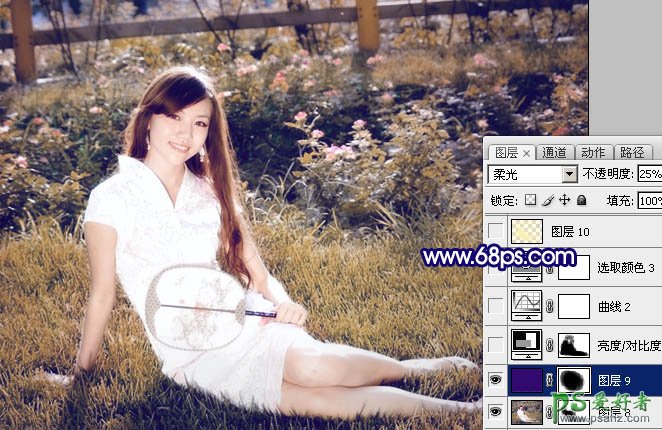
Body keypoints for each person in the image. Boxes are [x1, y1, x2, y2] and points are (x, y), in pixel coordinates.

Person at [74, 66, 482, 418]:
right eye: (175, 117)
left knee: (315, 369)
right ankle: (461, 410)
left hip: (246, 321)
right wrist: (81, 373)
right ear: (149, 119)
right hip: (191, 354)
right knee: (317, 402)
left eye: (199, 123)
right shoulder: (111, 199)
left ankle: (415, 370)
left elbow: (259, 273)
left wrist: (283, 303)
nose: (186, 133)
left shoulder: (209, 191)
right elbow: (102, 294)